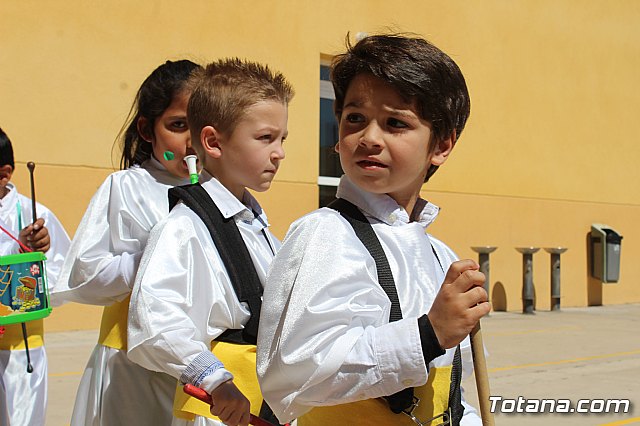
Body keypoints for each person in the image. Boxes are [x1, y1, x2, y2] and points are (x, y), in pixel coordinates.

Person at [257, 34, 489, 426]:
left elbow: (452, 392)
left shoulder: (441, 256)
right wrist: (426, 335)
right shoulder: (325, 234)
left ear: (441, 145)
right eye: (355, 119)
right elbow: (294, 373)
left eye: (395, 123)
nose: (369, 139)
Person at [127, 57, 293, 426]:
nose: (279, 151)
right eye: (266, 138)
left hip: (264, 403)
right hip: (222, 410)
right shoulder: (184, 227)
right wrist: (213, 379)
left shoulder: (255, 224)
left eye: (281, 139)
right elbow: (156, 321)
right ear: (213, 142)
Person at [50, 59, 202, 426]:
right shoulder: (125, 188)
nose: (192, 140)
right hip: (131, 366)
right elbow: (87, 274)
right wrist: (150, 258)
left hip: (200, 365)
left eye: (203, 124)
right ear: (147, 130)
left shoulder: (222, 193)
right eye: (178, 125)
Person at [0, 127, 71, 426]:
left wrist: (33, 257)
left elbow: (65, 277)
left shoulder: (33, 216)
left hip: (17, 350)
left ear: (4, 173)